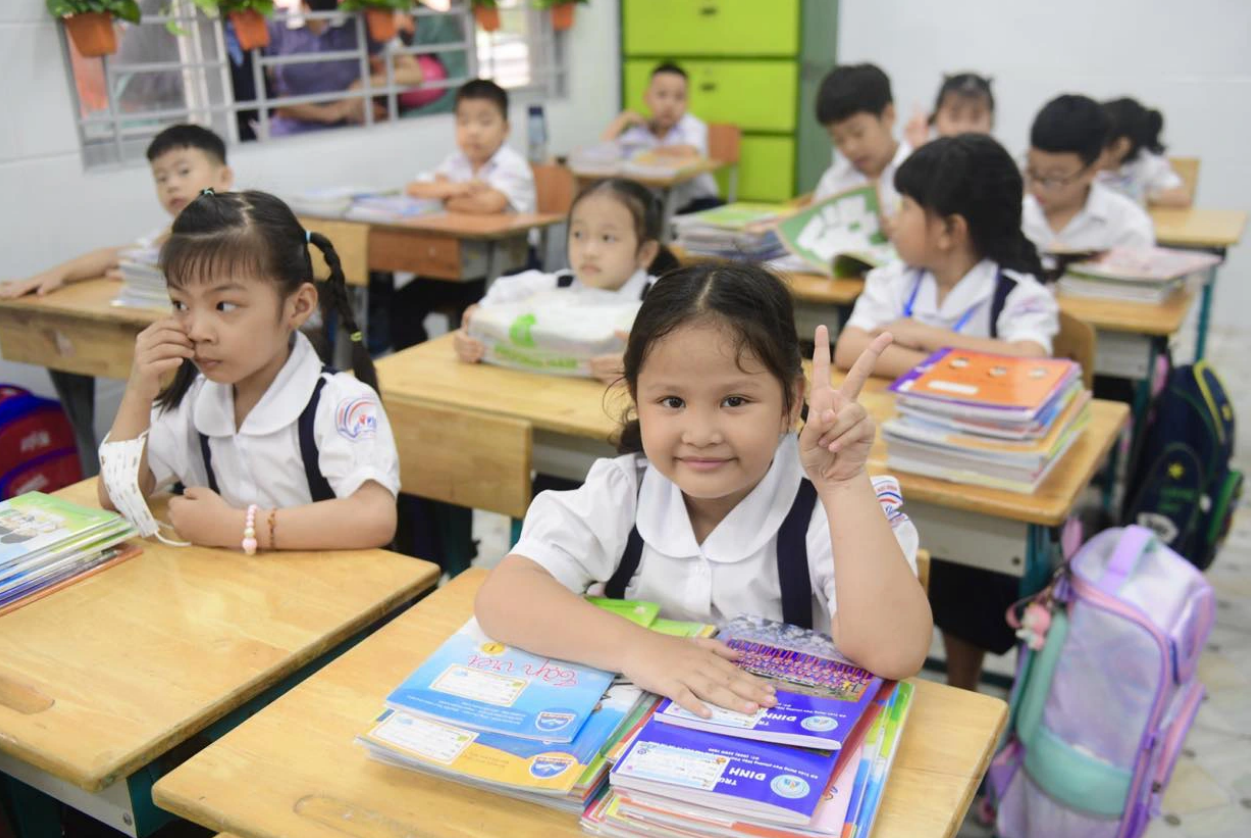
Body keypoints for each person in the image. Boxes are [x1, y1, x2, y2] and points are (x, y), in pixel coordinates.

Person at [474, 262, 932, 717]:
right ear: (636, 398)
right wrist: (645, 651)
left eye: (734, 401)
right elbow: (504, 597)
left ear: (791, 401)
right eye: (672, 402)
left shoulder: (830, 505)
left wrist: (845, 486)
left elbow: (893, 652)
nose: (700, 433)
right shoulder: (623, 490)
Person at [836, 134, 1059, 692]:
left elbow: (1031, 360)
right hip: (893, 454)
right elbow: (847, 349)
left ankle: (963, 685)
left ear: (949, 229)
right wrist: (956, 359)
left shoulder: (1016, 292)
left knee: (968, 576)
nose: (894, 219)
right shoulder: (893, 277)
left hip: (970, 471)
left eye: (908, 206)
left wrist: (922, 339)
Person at [97, 190, 399, 551]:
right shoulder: (194, 398)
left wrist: (241, 528)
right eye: (180, 304)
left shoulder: (338, 402)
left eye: (224, 305)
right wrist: (138, 391)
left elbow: (375, 517)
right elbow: (117, 496)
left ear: (298, 306)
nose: (196, 330)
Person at [454, 178, 679, 383]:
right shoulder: (560, 284)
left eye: (607, 238)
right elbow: (499, 295)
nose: (589, 251)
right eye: (579, 235)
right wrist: (471, 332)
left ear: (645, 253)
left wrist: (641, 367)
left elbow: (687, 360)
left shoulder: (662, 302)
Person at [0, 125, 232, 299]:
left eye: (183, 171)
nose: (171, 185)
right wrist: (55, 275)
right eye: (161, 178)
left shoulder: (240, 223)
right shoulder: (171, 232)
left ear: (224, 178)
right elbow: (113, 255)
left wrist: (151, 274)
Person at [393, 79, 537, 348]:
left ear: (505, 128)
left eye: (484, 122)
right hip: (462, 264)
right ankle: (418, 369)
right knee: (401, 305)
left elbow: (488, 205)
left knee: (471, 313)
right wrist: (459, 188)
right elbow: (415, 188)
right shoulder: (456, 162)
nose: (473, 132)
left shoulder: (512, 164)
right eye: (464, 122)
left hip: (509, 265)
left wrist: (446, 197)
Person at [262, 0, 424, 137]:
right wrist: (329, 114)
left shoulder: (361, 20)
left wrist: (362, 86)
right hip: (291, 136)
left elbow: (413, 72)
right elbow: (269, 97)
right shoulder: (275, 24)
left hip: (350, 134)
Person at [1021, 94, 1155, 258]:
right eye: (1033, 172)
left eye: (1054, 178)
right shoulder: (1014, 216)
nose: (1037, 187)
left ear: (1093, 169)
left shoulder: (1126, 226)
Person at [602, 62, 720, 214]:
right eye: (662, 95)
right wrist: (624, 118)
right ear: (647, 98)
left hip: (698, 204)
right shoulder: (641, 132)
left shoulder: (692, 125)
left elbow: (689, 151)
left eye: (679, 97)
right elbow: (605, 151)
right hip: (658, 205)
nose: (669, 104)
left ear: (687, 103)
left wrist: (646, 153)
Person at [812, 63, 911, 220]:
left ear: (888, 115)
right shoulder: (833, 183)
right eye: (838, 140)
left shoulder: (922, 173)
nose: (850, 148)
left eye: (858, 133)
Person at [1098, 97, 1191, 208]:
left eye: (1097, 142)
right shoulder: (1087, 164)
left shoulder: (1148, 164)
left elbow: (1182, 199)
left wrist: (1142, 196)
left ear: (1120, 146)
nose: (1091, 148)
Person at [904, 73, 995, 149]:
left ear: (990, 121)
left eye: (975, 118)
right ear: (936, 117)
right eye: (954, 117)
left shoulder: (1001, 167)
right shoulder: (915, 157)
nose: (963, 128)